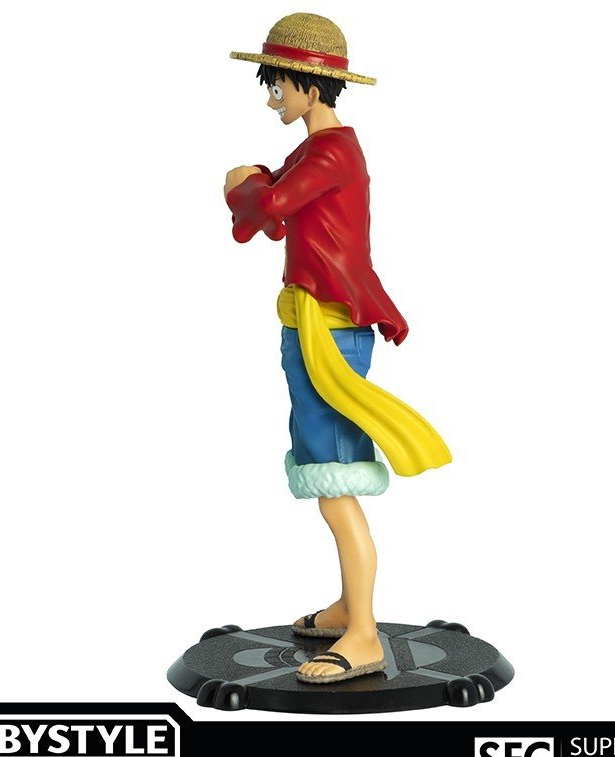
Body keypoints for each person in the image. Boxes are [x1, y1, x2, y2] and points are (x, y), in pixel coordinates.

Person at [224, 12, 451, 684]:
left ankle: (364, 635)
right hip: (311, 323)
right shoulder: (314, 150)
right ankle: (351, 607)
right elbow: (282, 218)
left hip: (328, 329)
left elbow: (270, 207)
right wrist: (256, 186)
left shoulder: (329, 154)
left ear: (308, 85)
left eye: (278, 86)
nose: (273, 98)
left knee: (334, 481)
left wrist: (238, 182)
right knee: (325, 467)